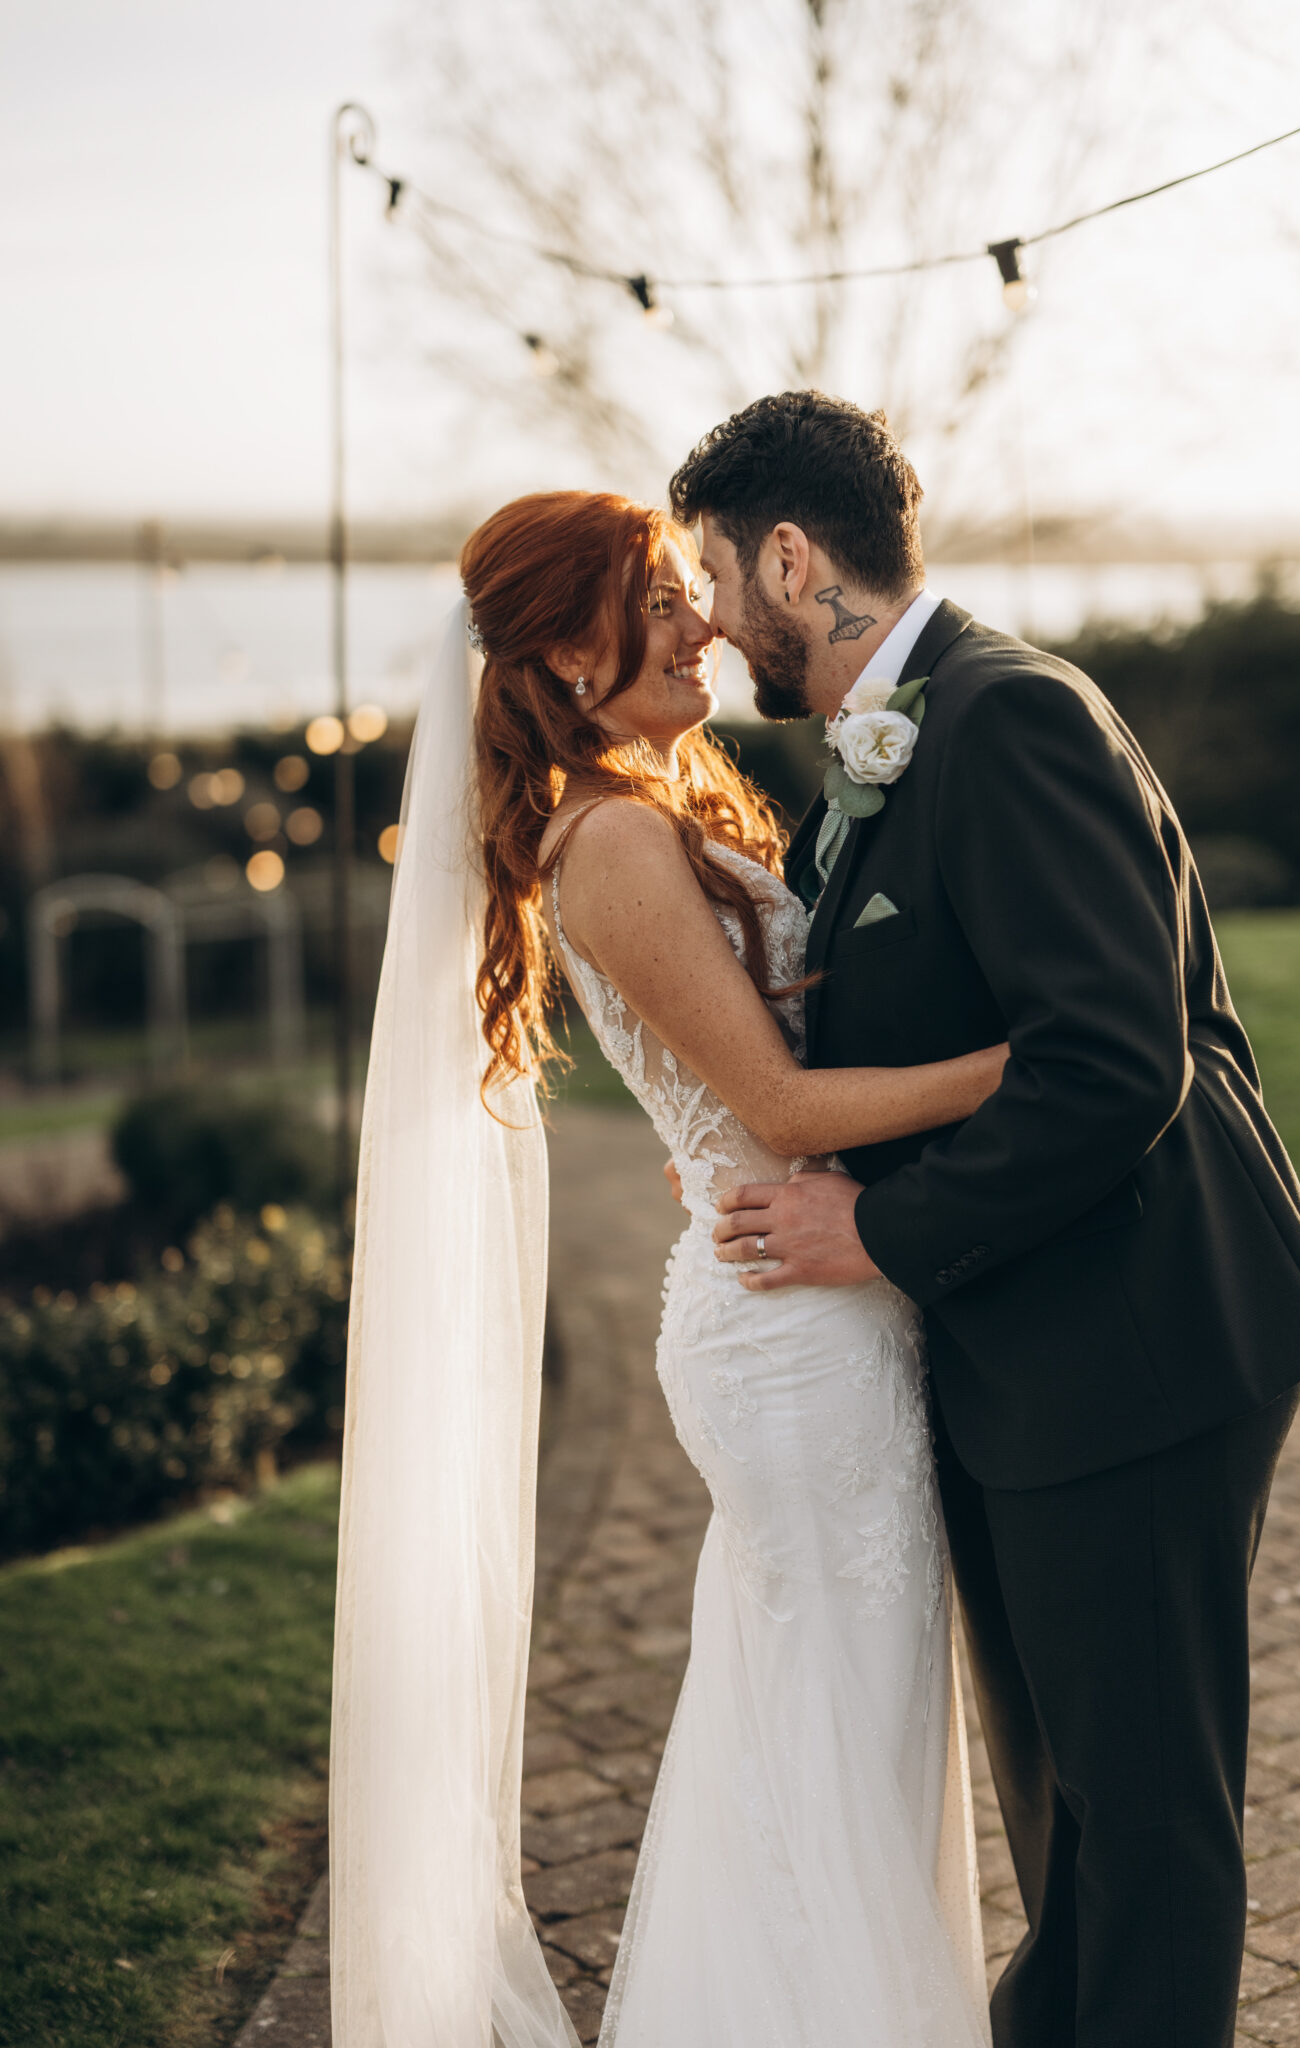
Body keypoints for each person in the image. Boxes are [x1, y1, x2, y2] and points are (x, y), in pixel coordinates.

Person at [677, 390, 1300, 2048]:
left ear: (790, 556)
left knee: (1140, 1815)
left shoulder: (1007, 718)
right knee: (1067, 1814)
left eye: (712, 574)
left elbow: (1113, 1062)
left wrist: (882, 1239)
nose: (706, 621)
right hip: (1028, 1351)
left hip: (1133, 1344)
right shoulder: (889, 745)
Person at [330, 485, 1007, 2047]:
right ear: (566, 657)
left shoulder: (650, 803)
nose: (701, 617)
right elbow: (773, 1106)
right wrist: (1031, 1061)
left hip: (804, 1289)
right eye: (656, 594)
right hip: (788, 1337)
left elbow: (740, 1072)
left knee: (822, 1720)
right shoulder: (617, 841)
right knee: (832, 1726)